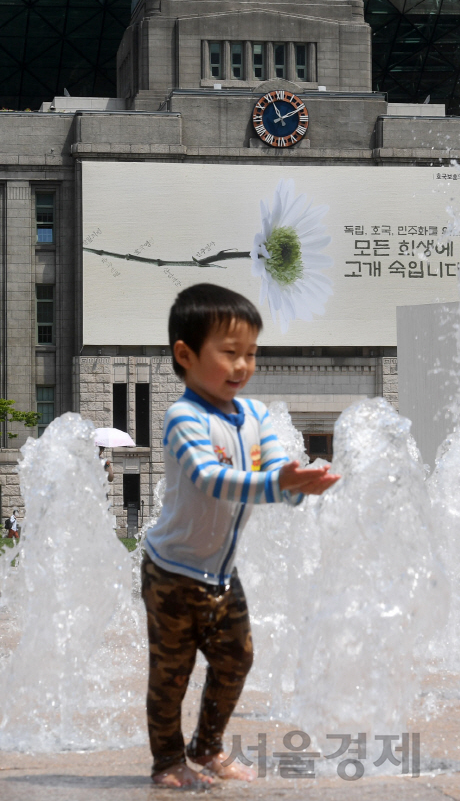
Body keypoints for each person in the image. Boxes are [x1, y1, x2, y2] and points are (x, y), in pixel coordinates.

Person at [142, 283, 340, 788]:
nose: (242, 365)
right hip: (171, 573)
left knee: (237, 656)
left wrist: (300, 486)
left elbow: (275, 470)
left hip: (220, 574)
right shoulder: (183, 418)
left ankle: (206, 749)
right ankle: (167, 761)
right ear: (184, 355)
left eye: (251, 353)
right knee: (173, 672)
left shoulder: (256, 416)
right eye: (229, 353)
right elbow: (213, 479)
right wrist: (278, 483)